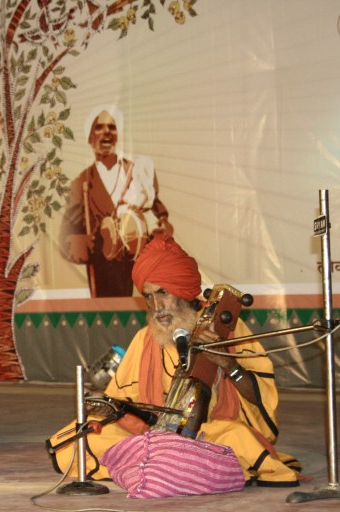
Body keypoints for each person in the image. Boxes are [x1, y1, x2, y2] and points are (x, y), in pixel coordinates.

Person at [56, 235, 299, 486]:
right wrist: (107, 407)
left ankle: (150, 467)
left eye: (163, 292)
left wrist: (229, 365)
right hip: (153, 435)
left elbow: (261, 400)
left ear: (184, 292)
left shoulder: (227, 330)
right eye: (148, 296)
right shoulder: (145, 339)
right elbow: (123, 402)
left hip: (209, 433)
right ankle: (176, 466)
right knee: (81, 434)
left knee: (237, 437)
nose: (156, 305)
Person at [59, 105, 172, 297]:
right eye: (99, 127)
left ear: (118, 135)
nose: (106, 133)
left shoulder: (138, 173)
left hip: (142, 278)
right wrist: (97, 243)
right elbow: (66, 239)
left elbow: (160, 216)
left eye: (112, 127)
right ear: (89, 137)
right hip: (104, 280)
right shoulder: (82, 183)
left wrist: (158, 231)